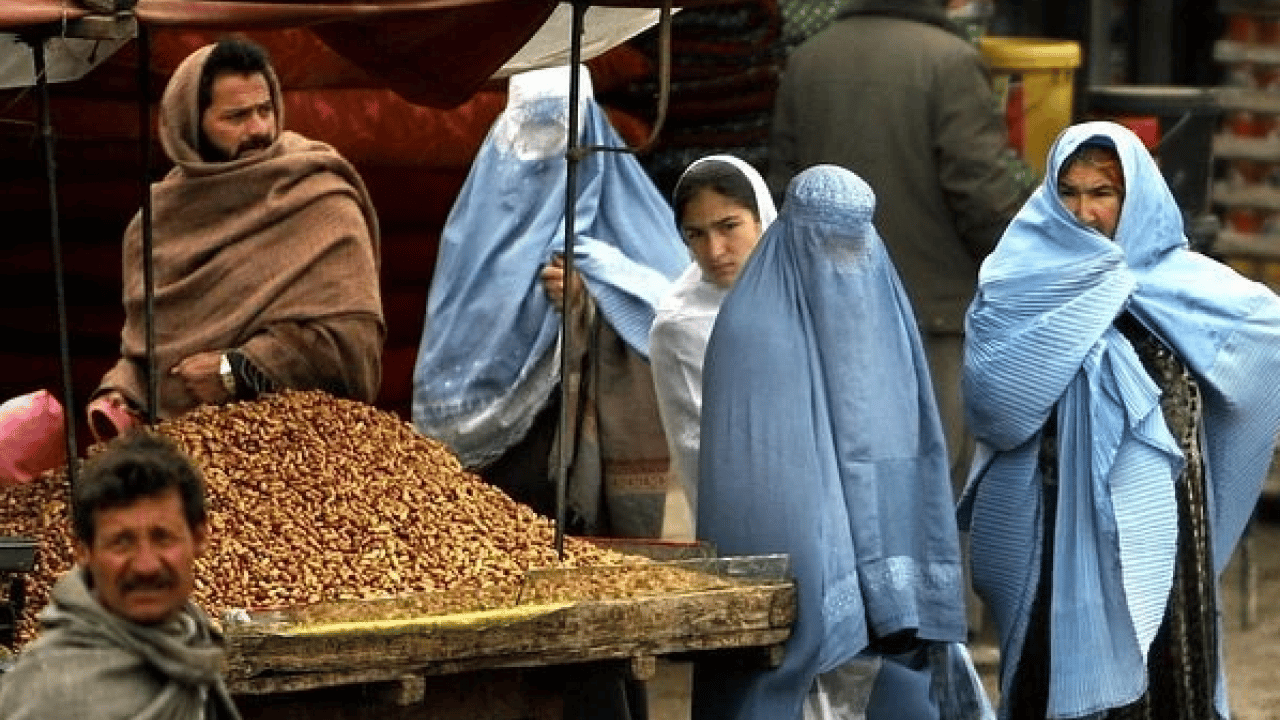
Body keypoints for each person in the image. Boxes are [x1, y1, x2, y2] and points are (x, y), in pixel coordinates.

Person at [962, 121, 1280, 719]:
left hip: (1163, 534)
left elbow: (1262, 338)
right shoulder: (1017, 282)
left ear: (1134, 199)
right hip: (1055, 531)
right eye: (1070, 193)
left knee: (1160, 685)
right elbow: (996, 405)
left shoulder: (1181, 284)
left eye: (1102, 193)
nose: (1084, 212)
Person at [695, 164, 989, 720]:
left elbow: (907, 452)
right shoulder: (752, 329)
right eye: (823, 243)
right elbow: (771, 485)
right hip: (802, 578)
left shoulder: (885, 313)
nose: (840, 261)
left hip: (885, 622)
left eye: (853, 243)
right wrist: (834, 572)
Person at [412, 64, 690, 540]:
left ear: (591, 135)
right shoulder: (474, 231)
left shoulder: (637, 220)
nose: (545, 152)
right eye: (531, 133)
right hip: (498, 475)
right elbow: (450, 336)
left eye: (560, 130)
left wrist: (594, 304)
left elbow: (681, 321)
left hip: (588, 465)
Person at [767, 0, 1029, 496]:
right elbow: (980, 192)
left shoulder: (808, 60)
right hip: (933, 315)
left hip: (827, 313)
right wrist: (1023, 272)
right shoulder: (950, 60)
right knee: (933, 489)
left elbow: (786, 189)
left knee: (843, 485)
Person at [87, 36, 384, 442]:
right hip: (183, 459)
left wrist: (238, 370)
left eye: (265, 110)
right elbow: (149, 351)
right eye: (236, 117)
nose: (259, 129)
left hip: (308, 451)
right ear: (192, 124)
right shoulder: (154, 225)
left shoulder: (317, 194)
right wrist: (120, 392)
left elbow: (353, 348)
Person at [0, 431, 241, 719]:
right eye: (121, 542)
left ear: (200, 538)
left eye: (163, 537)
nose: (145, 565)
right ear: (84, 552)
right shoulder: (46, 693)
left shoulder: (194, 641)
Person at [647, 155, 777, 539]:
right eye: (696, 234)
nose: (715, 250)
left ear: (761, 219)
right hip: (745, 513)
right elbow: (700, 448)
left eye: (729, 226)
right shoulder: (679, 325)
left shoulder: (801, 289)